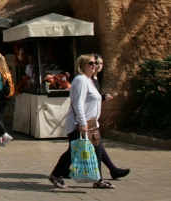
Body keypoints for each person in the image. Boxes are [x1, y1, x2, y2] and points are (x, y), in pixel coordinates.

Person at [48, 54, 114, 189]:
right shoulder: (81, 80)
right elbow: (78, 103)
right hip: (81, 123)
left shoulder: (89, 80)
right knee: (73, 151)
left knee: (97, 150)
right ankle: (55, 175)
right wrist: (82, 123)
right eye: (91, 63)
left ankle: (98, 180)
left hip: (92, 123)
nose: (94, 65)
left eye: (95, 63)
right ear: (82, 65)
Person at [92, 54, 130, 180]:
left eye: (100, 64)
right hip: (86, 120)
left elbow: (93, 98)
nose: (98, 66)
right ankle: (111, 171)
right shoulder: (87, 80)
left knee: (92, 146)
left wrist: (103, 97)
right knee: (97, 145)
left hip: (91, 119)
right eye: (95, 63)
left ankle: (61, 170)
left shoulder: (96, 78)